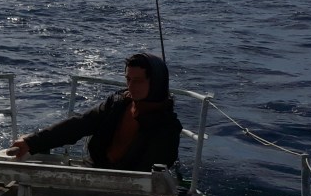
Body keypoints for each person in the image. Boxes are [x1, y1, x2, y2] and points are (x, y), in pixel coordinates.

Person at [10, 52, 182, 172]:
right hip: (93, 172)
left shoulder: (167, 128)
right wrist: (32, 142)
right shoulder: (117, 103)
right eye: (128, 79)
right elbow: (79, 125)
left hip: (130, 193)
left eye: (137, 81)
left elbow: (148, 174)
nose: (130, 86)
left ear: (156, 83)